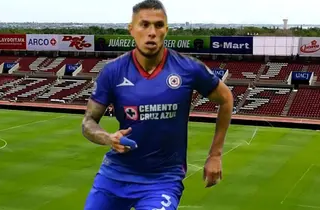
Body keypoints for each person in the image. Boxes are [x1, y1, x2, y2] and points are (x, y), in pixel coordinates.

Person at [81, 0, 234, 209]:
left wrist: (215, 155)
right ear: (131, 30)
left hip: (162, 180)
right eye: (144, 25)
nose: (151, 32)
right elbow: (88, 122)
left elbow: (226, 99)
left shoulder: (188, 68)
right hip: (115, 176)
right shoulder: (112, 71)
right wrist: (108, 138)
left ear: (166, 30)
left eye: (159, 25)